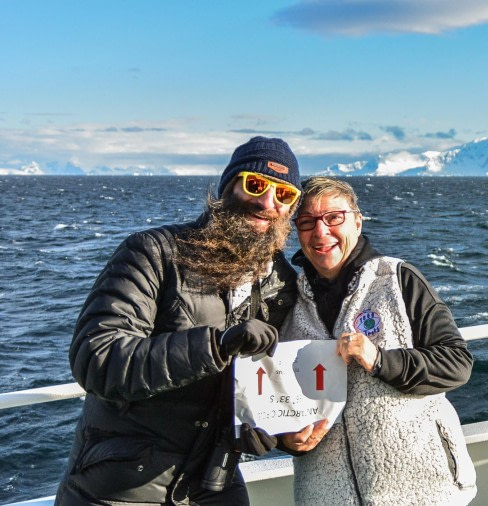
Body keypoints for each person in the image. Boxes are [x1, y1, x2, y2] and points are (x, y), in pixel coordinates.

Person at [55, 136, 326, 505]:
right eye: (256, 184)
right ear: (228, 186)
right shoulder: (154, 253)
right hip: (122, 482)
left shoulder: (281, 284)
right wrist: (214, 345)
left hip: (213, 479)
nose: (267, 203)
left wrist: (272, 432)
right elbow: (97, 359)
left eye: (284, 195)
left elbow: (266, 384)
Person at [279, 176, 477, 505]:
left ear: (357, 221)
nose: (321, 231)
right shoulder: (286, 301)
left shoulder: (398, 279)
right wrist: (285, 440)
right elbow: (274, 395)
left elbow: (456, 364)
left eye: (334, 217)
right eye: (307, 221)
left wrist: (381, 361)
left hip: (421, 493)